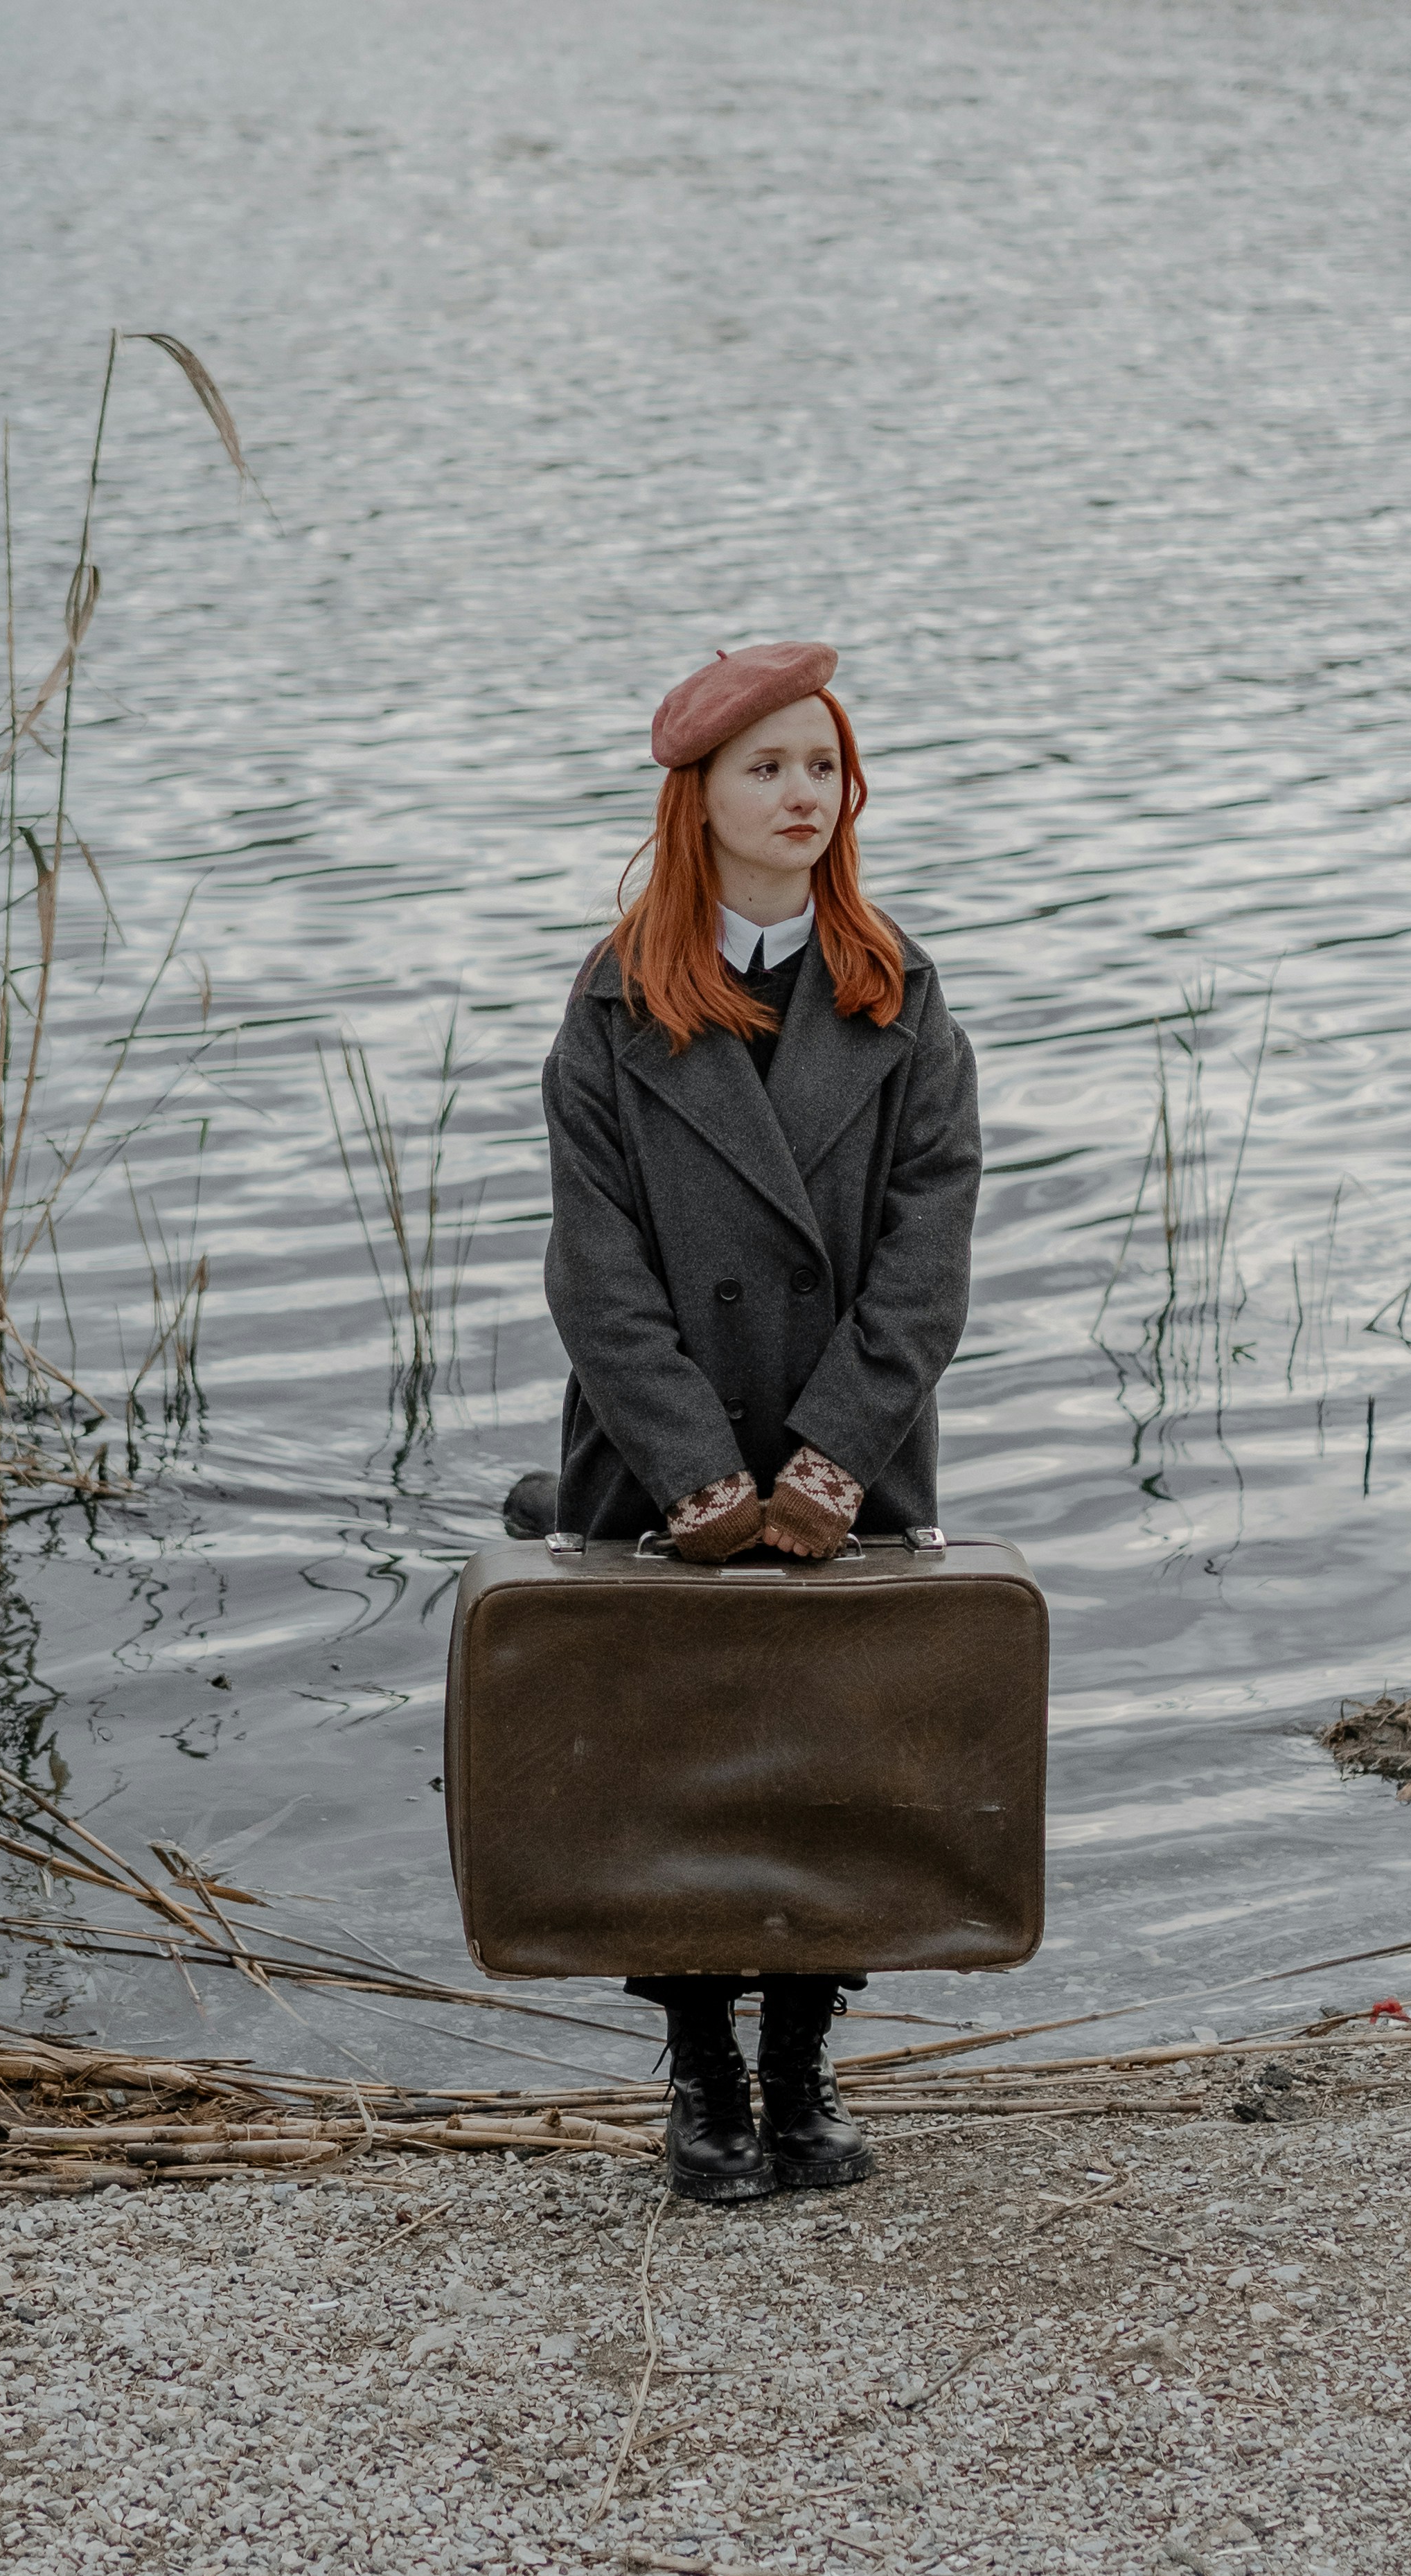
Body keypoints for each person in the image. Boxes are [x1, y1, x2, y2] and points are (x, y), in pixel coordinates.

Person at [540, 641, 982, 2203]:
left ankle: (801, 2069)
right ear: (698, 797)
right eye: (766, 768)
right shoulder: (611, 1006)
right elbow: (595, 1274)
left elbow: (930, 1258)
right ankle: (700, 2078)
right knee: (680, 1765)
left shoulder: (900, 993)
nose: (804, 794)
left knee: (837, 1757)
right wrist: (699, 1480)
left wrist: (825, 1464)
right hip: (662, 1460)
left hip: (847, 1456)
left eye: (822, 765)